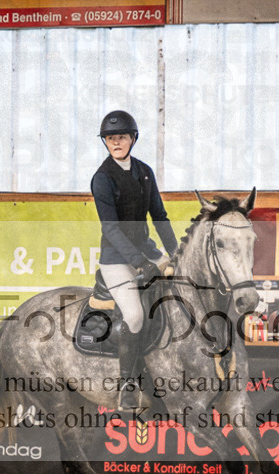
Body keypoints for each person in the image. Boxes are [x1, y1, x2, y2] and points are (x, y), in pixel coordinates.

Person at [91, 110, 177, 411]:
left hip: (146, 250)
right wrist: (139, 262)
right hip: (116, 259)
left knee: (181, 289)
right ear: (106, 142)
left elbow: (160, 216)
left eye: (122, 137)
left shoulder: (144, 171)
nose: (116, 142)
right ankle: (127, 384)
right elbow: (111, 229)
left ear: (132, 139)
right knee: (135, 316)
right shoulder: (102, 179)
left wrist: (174, 253)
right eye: (111, 138)